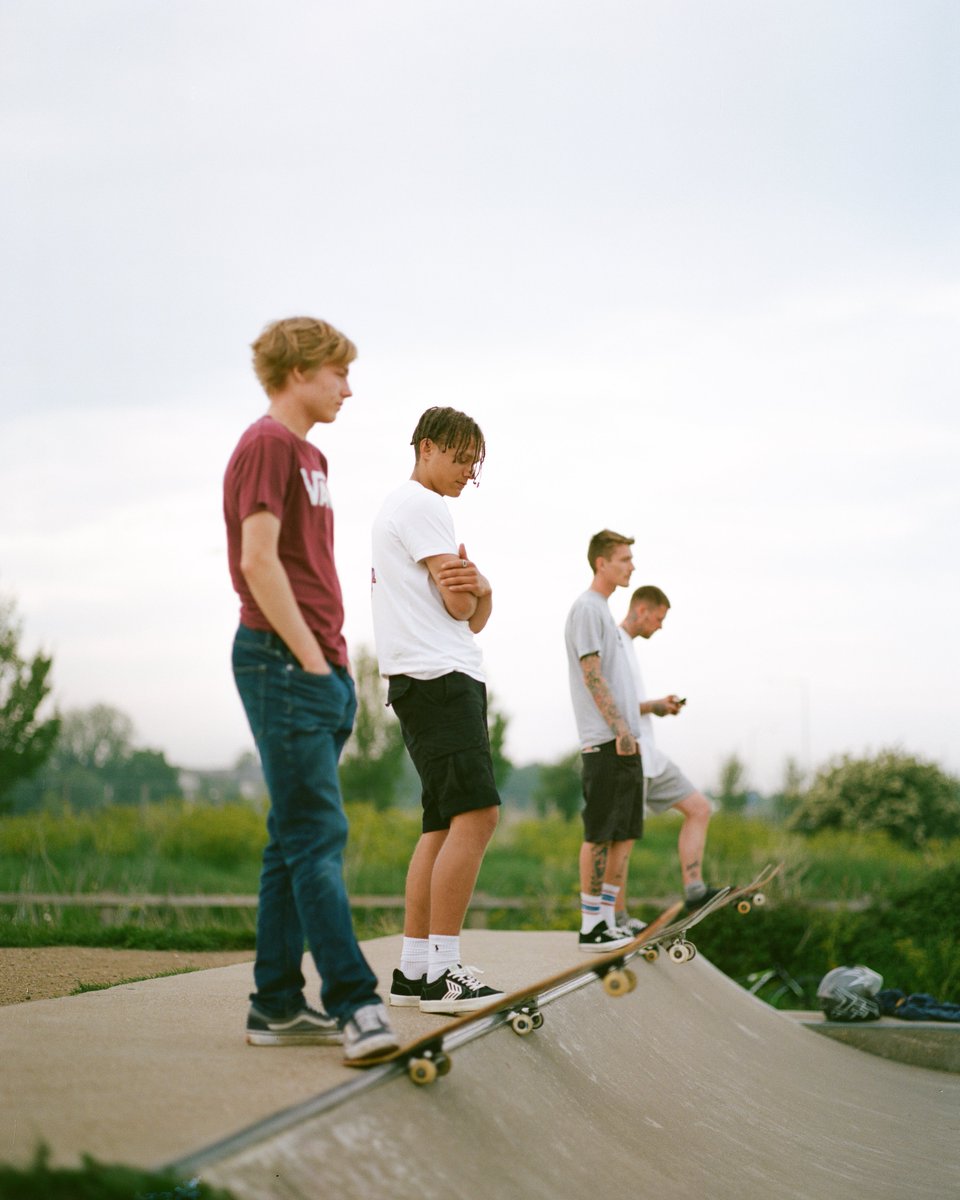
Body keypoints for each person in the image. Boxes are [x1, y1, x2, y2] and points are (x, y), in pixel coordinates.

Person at [224, 315, 397, 1061]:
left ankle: (275, 1004)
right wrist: (314, 664)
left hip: (314, 665)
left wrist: (332, 664)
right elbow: (258, 561)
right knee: (318, 837)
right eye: (339, 373)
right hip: (284, 663)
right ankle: (357, 1005)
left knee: (290, 840)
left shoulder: (310, 454)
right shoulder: (267, 444)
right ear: (298, 371)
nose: (348, 389)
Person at [371, 406, 505, 1014]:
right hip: (441, 676)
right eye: (460, 459)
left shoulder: (397, 507)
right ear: (426, 448)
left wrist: (482, 590)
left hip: (419, 677)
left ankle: (415, 967)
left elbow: (472, 613)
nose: (466, 474)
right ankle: (445, 974)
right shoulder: (423, 505)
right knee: (478, 816)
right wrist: (480, 588)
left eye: (474, 465)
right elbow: (462, 611)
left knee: (442, 825)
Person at [617, 585, 722, 925]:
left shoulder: (629, 646)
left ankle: (694, 888)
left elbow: (633, 704)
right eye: (659, 618)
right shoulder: (614, 644)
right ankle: (616, 917)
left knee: (699, 808)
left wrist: (657, 706)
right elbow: (611, 705)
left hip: (651, 756)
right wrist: (656, 706)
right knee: (623, 838)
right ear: (642, 610)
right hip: (628, 756)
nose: (660, 626)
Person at [564, 530, 642, 952]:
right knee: (599, 833)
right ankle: (591, 923)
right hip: (606, 742)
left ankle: (608, 919)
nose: (632, 566)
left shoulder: (605, 613)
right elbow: (591, 675)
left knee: (623, 835)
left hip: (624, 742)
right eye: (624, 559)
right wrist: (620, 730)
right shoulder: (587, 609)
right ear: (601, 563)